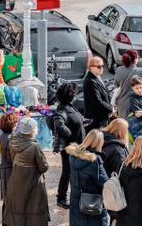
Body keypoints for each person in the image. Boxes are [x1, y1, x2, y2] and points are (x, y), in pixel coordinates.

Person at [3, 116, 50, 226]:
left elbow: (9, 158)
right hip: (32, 182)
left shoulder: (12, 141)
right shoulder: (34, 147)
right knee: (33, 206)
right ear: (32, 131)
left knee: (18, 205)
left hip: (16, 179)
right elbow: (44, 167)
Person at [53, 81, 86, 209]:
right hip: (70, 147)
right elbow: (59, 125)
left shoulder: (70, 107)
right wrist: (69, 133)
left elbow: (76, 120)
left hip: (77, 146)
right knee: (67, 172)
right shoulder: (63, 109)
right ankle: (61, 198)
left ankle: (70, 196)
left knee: (71, 172)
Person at [66, 130, 108, 226]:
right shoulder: (95, 161)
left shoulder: (73, 156)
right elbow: (105, 183)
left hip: (76, 200)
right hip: (92, 204)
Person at [114, 50, 142, 119]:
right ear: (135, 59)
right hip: (137, 105)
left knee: (124, 124)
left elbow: (116, 85)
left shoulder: (119, 70)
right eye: (138, 57)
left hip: (122, 105)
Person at [82, 56, 112, 129]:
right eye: (99, 67)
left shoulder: (97, 77)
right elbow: (98, 101)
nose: (101, 68)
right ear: (91, 67)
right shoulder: (91, 82)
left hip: (102, 117)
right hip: (96, 120)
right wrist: (111, 109)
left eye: (102, 66)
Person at [0, 111, 19, 200]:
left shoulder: (2, 136)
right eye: (15, 123)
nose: (17, 125)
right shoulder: (11, 138)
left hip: (4, 168)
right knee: (11, 197)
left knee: (6, 195)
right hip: (9, 169)